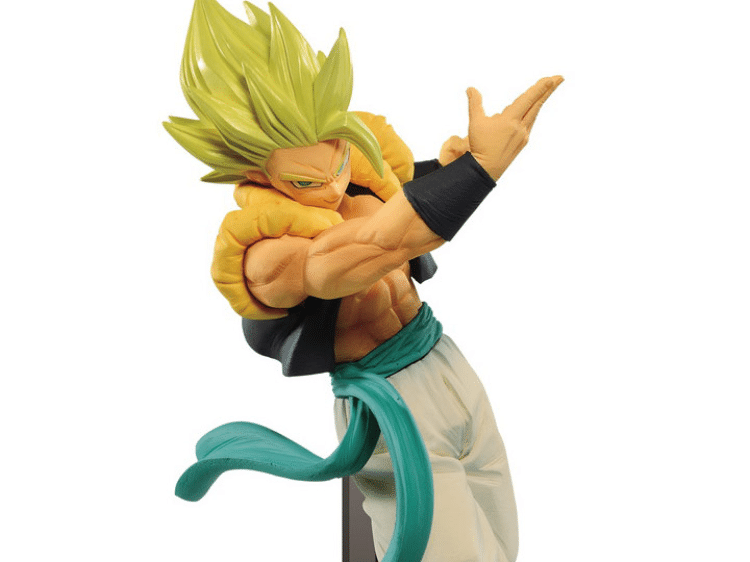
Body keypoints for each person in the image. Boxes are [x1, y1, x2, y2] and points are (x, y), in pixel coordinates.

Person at [165, 1, 562, 561]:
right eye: (305, 181)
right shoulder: (268, 255)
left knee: (500, 545)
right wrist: (480, 171)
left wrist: (461, 162)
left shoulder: (364, 181)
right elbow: (384, 244)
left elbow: (403, 200)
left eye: (338, 163)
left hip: (444, 359)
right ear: (257, 172)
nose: (332, 189)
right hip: (388, 400)